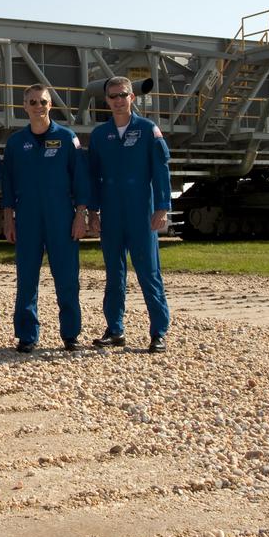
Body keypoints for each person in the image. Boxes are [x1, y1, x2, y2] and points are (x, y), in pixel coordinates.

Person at [1, 84, 92, 352]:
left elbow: (81, 180)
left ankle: (70, 334)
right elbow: (8, 184)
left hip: (61, 217)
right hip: (28, 217)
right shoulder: (17, 143)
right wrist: (8, 218)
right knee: (26, 277)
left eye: (42, 102)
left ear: (50, 105)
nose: (38, 107)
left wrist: (80, 216)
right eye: (32, 102)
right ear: (24, 106)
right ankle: (27, 335)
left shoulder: (66, 138)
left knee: (66, 277)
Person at [87, 76, 172, 353]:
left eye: (123, 94)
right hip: (112, 213)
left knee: (148, 272)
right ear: (107, 101)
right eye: (113, 96)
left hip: (141, 212)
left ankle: (159, 331)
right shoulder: (100, 135)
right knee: (114, 274)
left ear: (132, 97)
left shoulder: (148, 130)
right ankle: (115, 329)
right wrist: (93, 211)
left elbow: (161, 171)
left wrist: (162, 208)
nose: (118, 100)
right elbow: (93, 177)